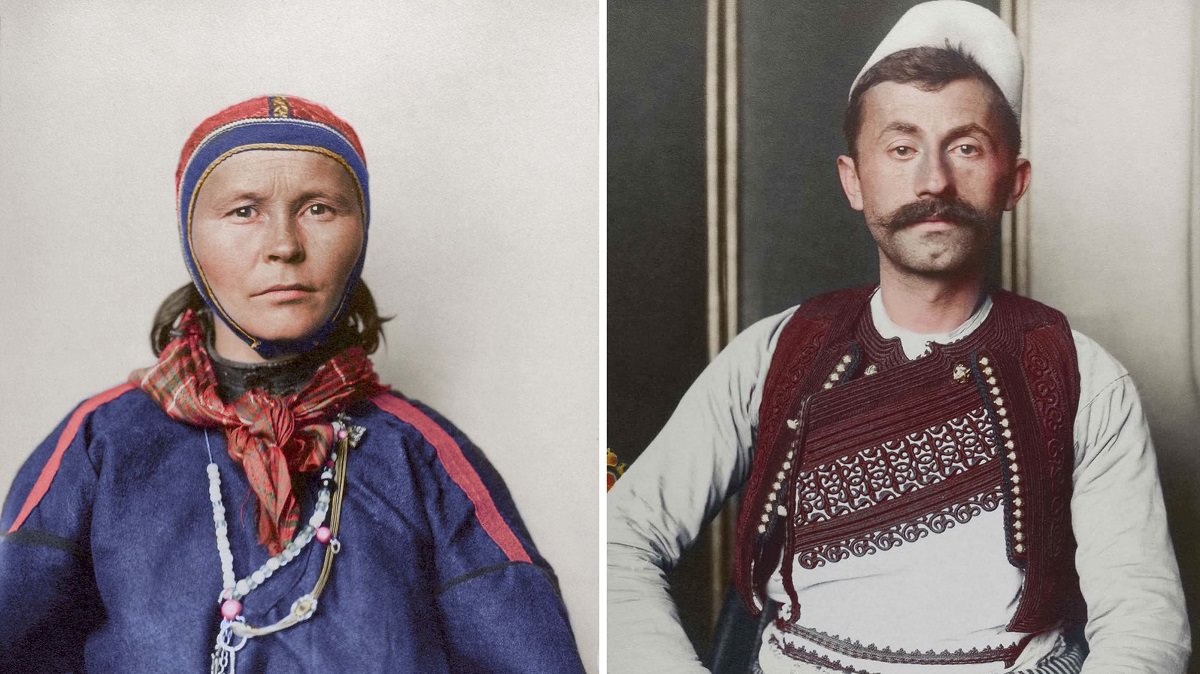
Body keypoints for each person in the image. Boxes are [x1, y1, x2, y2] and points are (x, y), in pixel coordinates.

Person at [607, 2, 1190, 673]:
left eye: (966, 147)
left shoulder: (1087, 378)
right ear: (854, 181)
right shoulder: (769, 357)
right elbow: (623, 537)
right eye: (902, 148)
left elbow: (1144, 620)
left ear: (1014, 181)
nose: (934, 180)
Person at [0, 95, 585, 673]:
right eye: (244, 211)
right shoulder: (100, 441)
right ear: (191, 239)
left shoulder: (422, 451)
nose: (284, 246)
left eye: (318, 209)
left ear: (360, 231)